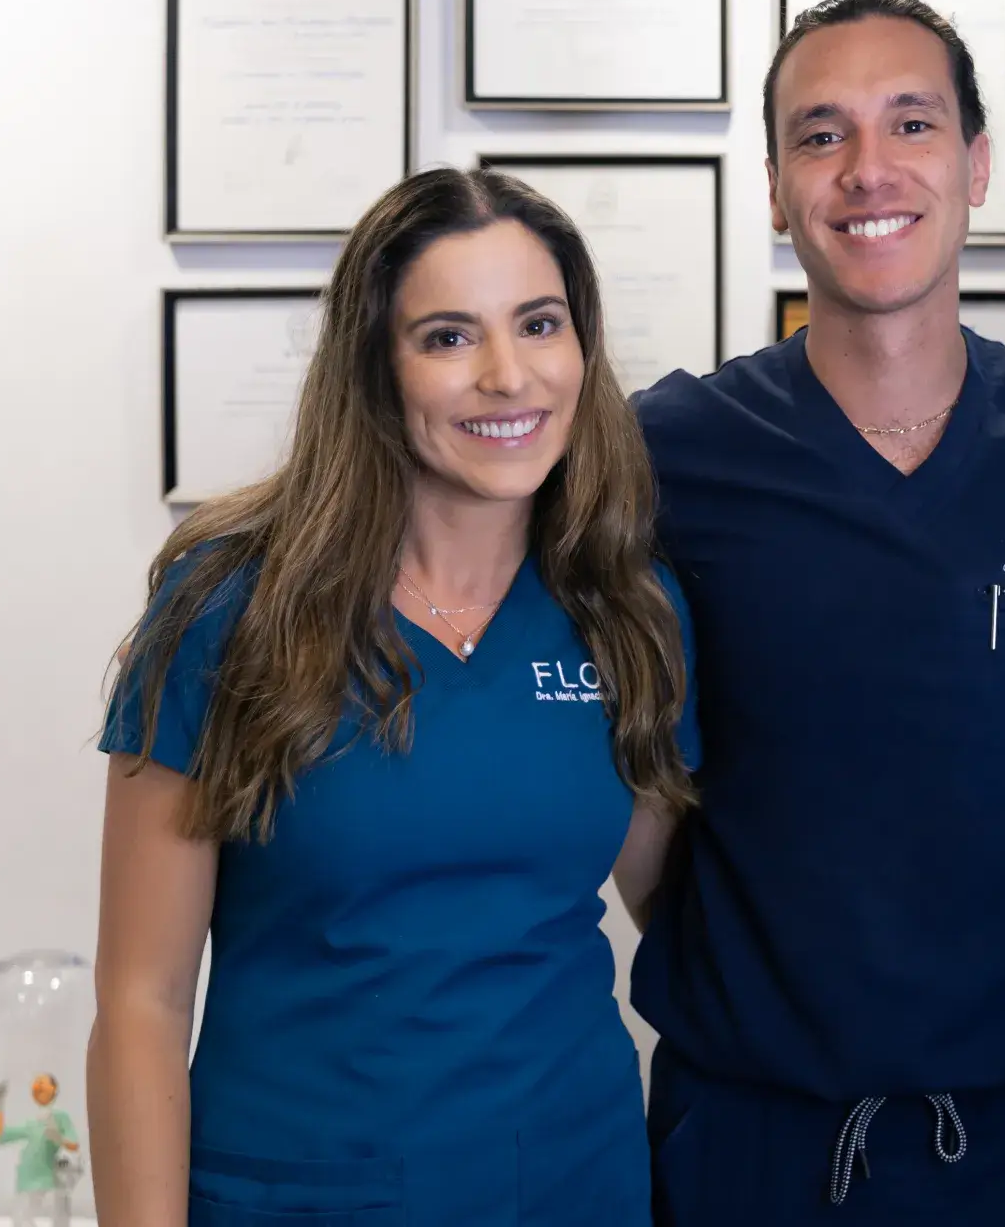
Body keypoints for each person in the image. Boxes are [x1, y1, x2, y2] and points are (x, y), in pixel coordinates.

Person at [90, 167, 698, 1226]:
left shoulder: (627, 606)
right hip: (301, 1196)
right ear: (375, 367)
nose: (508, 376)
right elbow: (141, 1003)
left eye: (539, 324)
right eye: (449, 337)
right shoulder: (229, 606)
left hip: (574, 1187)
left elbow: (681, 914)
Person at [628, 0, 1005, 1226]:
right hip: (754, 1146)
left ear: (974, 166)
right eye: (820, 134)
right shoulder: (674, 452)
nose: (867, 169)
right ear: (772, 186)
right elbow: (635, 789)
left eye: (909, 124)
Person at [0, 1074, 80, 1227]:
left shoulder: (60, 1116)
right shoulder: (32, 1124)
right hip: (27, 1183)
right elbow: (2, 1136)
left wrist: (58, 1138)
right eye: (36, 1084)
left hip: (51, 1182)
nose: (38, 1086)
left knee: (59, 1217)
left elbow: (73, 1145)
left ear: (53, 1090)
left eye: (43, 1083)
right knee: (21, 1220)